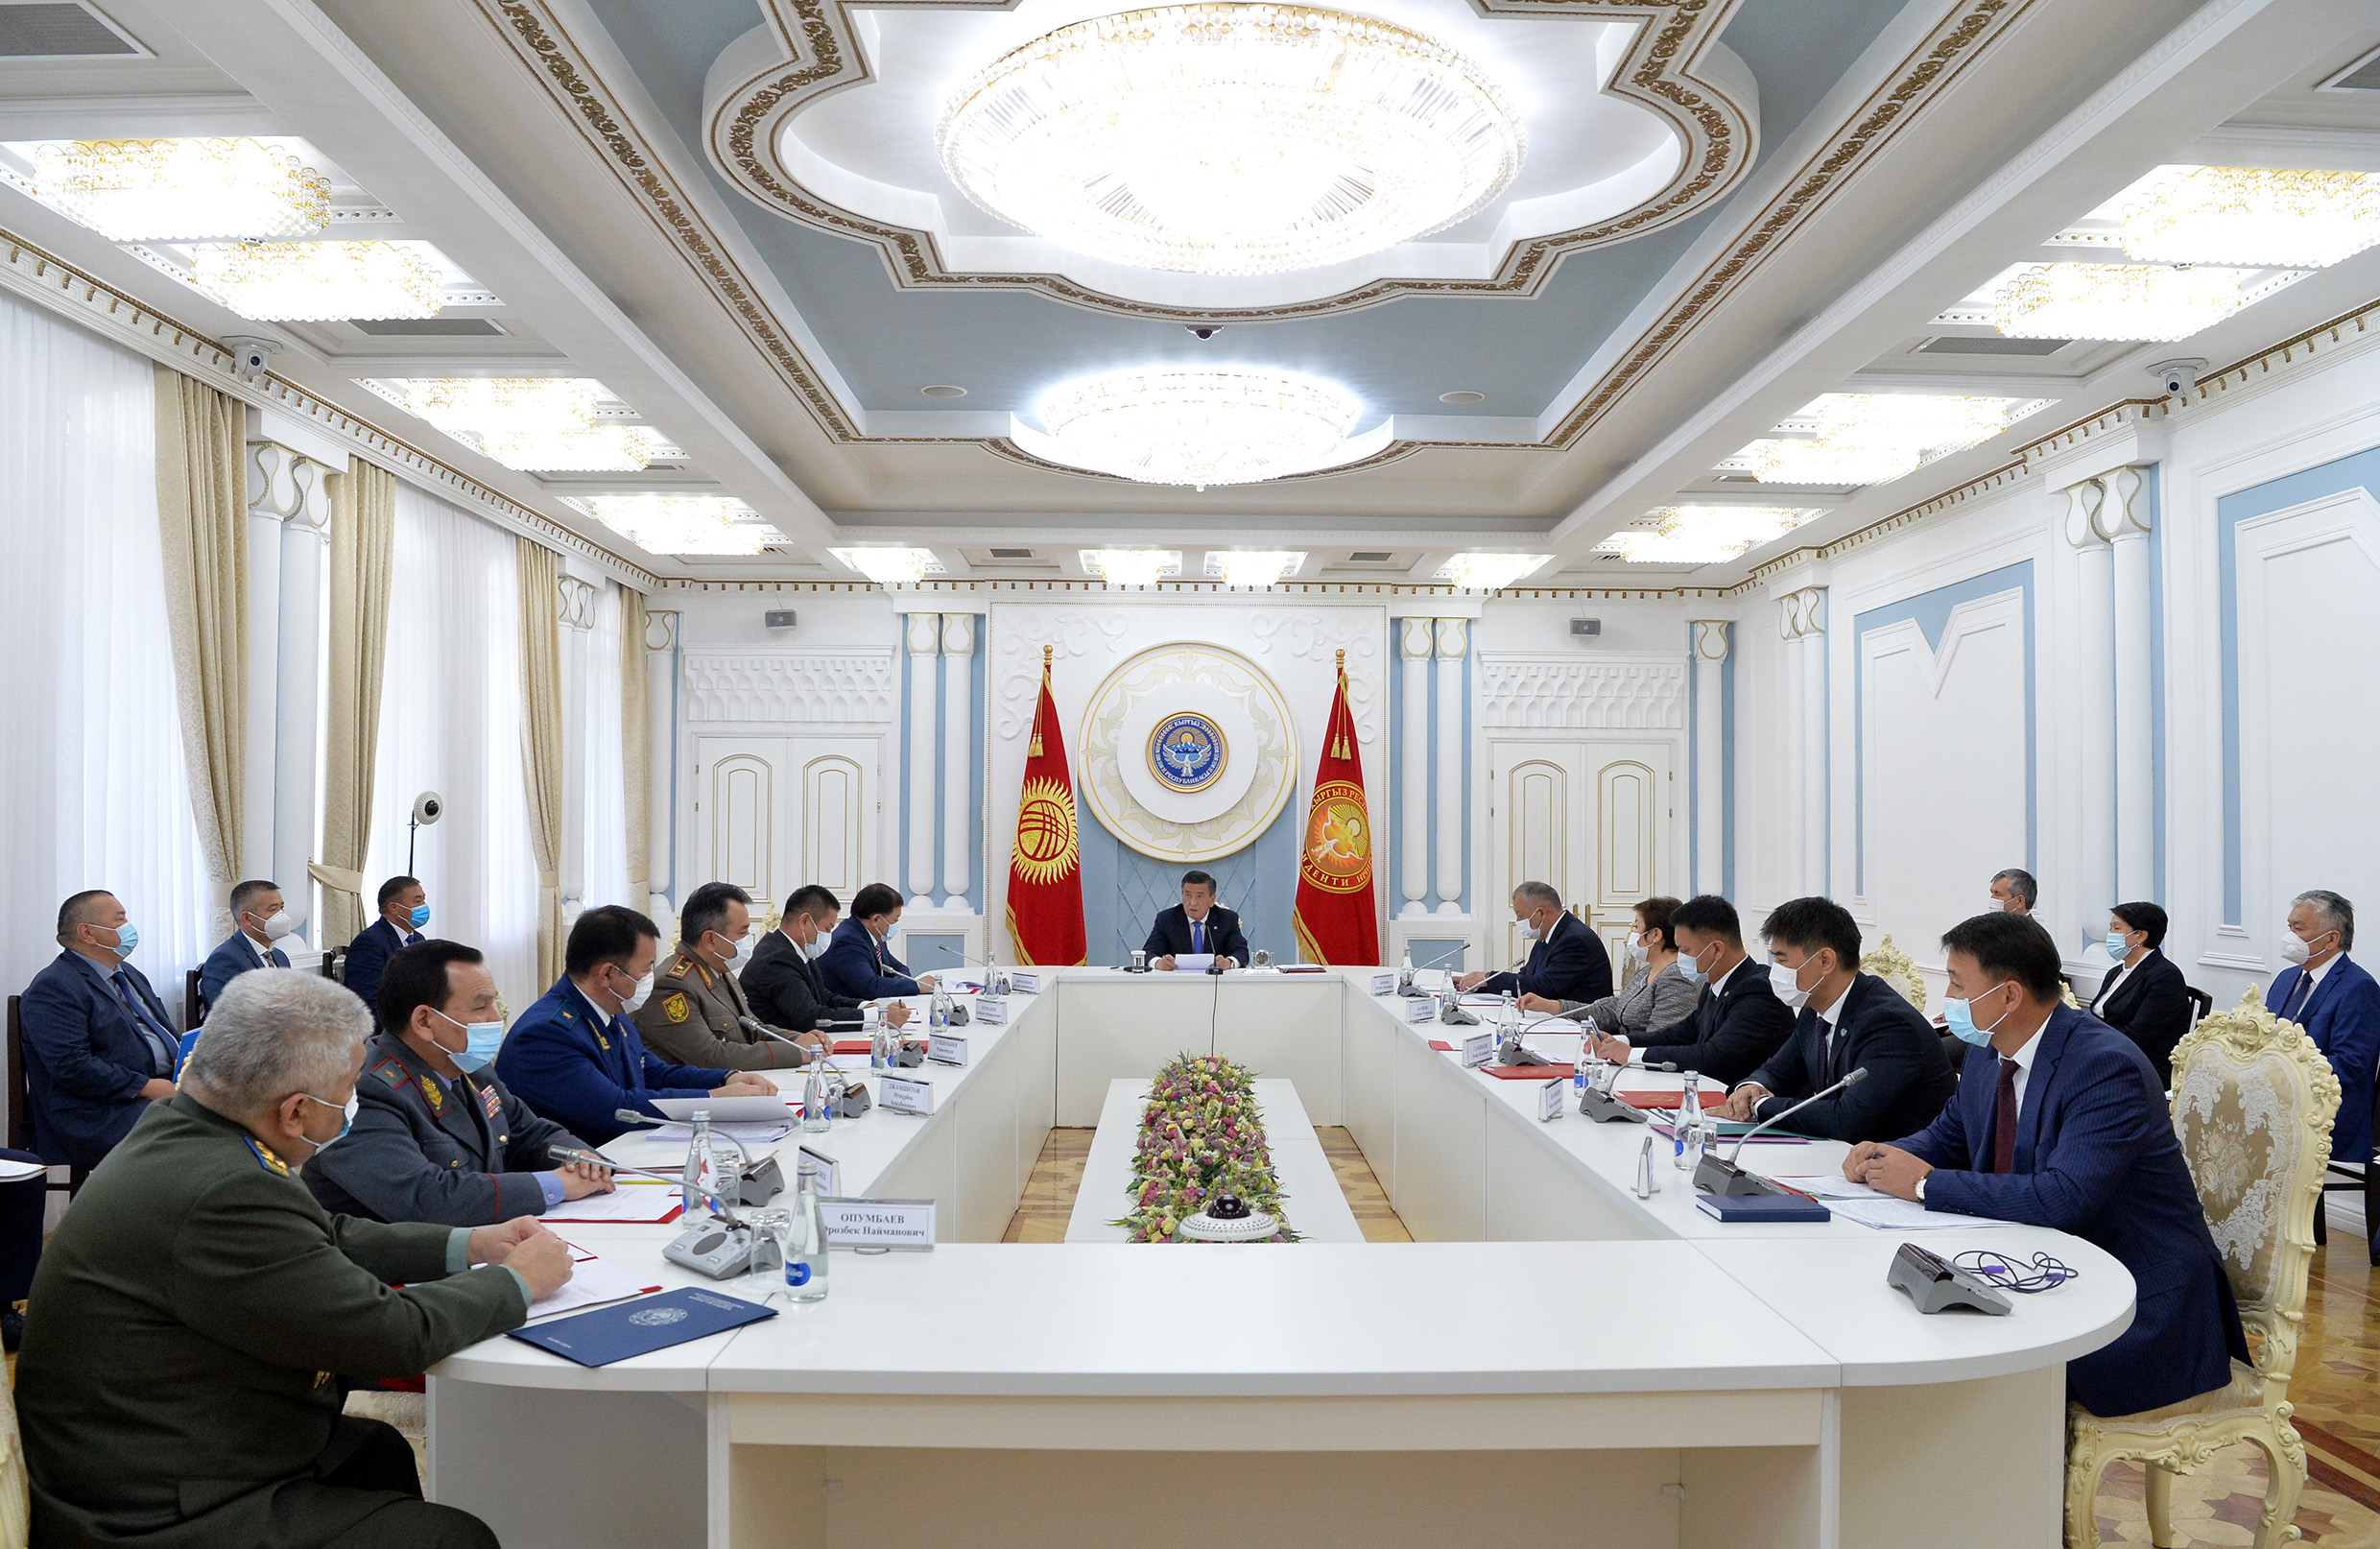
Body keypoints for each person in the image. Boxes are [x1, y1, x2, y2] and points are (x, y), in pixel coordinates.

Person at [14, 968, 571, 1549]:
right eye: (350, 1088)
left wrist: (469, 1244)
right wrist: (516, 1282)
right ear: (296, 1112)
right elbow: (390, 1335)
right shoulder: (224, 1190)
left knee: (375, 1453)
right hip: (153, 1506)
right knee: (452, 1537)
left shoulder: (187, 1126)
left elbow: (321, 1234)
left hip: (167, 1436)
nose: (354, 1103)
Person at [1845, 912, 2248, 1418]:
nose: (1947, 997)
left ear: (2009, 995)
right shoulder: (1988, 1049)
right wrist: (1881, 1156)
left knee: (1963, 1378)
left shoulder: (2104, 1066)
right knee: (1912, 1329)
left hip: (2134, 1297)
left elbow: (2063, 1198)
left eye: (1957, 983)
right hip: (2031, 1260)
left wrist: (1925, 1184)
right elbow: (1948, 1136)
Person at [305, 941, 615, 1226]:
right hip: (396, 1263)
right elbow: (426, 1198)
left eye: (494, 1003)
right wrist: (555, 1185)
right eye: (481, 1007)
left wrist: (579, 1158)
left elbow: (529, 1133)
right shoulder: (361, 1092)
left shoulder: (468, 1066)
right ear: (424, 1021)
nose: (496, 1018)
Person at [494, 905, 774, 1144]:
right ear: (608, 974)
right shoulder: (546, 1034)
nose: (650, 978)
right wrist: (713, 1099)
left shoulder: (612, 1011)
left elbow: (654, 1073)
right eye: (646, 969)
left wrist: (725, 1079)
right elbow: (616, 1110)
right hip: (581, 1167)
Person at [1714, 896, 1957, 1140]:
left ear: (1825, 961)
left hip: (1896, 1155)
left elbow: (1847, 1120)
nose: (1775, 969)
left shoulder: (1889, 1024)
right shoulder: (1814, 1008)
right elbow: (1778, 1071)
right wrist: (1751, 1087)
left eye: (1782, 959)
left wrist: (1759, 1106)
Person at [18, 890, 179, 1170]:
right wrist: (144, 1087)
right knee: (201, 1128)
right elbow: (72, 1066)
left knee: (238, 1106)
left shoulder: (129, 974)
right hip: (96, 1112)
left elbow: (157, 1032)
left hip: (158, 1087)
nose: (129, 927)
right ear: (88, 933)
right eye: (120, 919)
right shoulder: (55, 986)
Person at [1592, 894, 1793, 1086]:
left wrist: (1631, 1055)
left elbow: (1713, 1056)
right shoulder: (1713, 983)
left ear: (1716, 949)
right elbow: (1680, 1034)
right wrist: (1620, 1041)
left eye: (1685, 950)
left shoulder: (1758, 991)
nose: (1680, 957)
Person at [636, 882, 812, 1071]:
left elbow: (754, 1028)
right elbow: (711, 1057)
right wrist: (796, 1052)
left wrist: (799, 1039)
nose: (748, 939)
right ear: (710, 939)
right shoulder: (671, 985)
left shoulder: (720, 971)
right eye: (742, 932)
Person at [2267, 890, 2380, 1170]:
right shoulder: (2286, 979)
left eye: (2299, 928)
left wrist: (2285, 1079)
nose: (2290, 936)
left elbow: (2349, 1064)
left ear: (2331, 939)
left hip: (2325, 1114)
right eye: (2289, 927)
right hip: (2276, 1098)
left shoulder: (2359, 988)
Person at [1518, 895, 1697, 1039]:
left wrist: (1617, 1043)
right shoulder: (1646, 972)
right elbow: (1613, 1009)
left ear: (1655, 934)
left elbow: (1660, 1039)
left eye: (1636, 926)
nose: (1632, 933)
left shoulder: (1676, 979)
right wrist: (1551, 1006)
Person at [742, 884, 911, 1037]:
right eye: (827, 928)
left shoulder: (797, 951)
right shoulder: (776, 960)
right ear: (805, 921)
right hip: (779, 1047)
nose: (829, 936)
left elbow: (823, 996)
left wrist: (865, 1006)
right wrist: (877, 1016)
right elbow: (811, 1017)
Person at [1457, 882, 1613, 1006]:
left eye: (1520, 915)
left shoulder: (1575, 940)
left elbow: (1544, 987)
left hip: (1581, 1024)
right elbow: (1527, 977)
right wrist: (1480, 985)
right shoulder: (1549, 934)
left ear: (1541, 913)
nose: (1518, 921)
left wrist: (1489, 978)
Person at [2088, 901, 2193, 1085]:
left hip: (2141, 1064)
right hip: (2107, 1051)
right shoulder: (2116, 972)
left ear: (2141, 936)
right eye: (2111, 928)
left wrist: (2089, 1040)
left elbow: (2138, 1035)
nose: (2110, 934)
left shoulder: (2165, 976)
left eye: (2117, 928)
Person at [817, 882, 937, 1001]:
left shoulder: (875, 935)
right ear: (876, 919)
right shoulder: (846, 942)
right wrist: (917, 986)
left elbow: (898, 968)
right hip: (847, 1009)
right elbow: (871, 987)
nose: (895, 924)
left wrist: (900, 983)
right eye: (895, 920)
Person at [197, 877, 295, 1015]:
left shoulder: (280, 956)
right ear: (247, 919)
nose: (281, 915)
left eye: (282, 908)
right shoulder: (224, 959)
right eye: (273, 909)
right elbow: (229, 1015)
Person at [343, 876, 428, 1012]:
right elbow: (369, 1001)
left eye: (424, 899)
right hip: (386, 1021)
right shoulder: (369, 943)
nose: (424, 906)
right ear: (394, 908)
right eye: (417, 901)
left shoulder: (418, 939)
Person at [1143, 870, 1249, 969]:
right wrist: (1158, 963)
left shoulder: (1227, 919)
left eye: (1199, 896)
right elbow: (1148, 952)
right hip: (1178, 980)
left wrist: (1228, 962)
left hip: (1215, 980)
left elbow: (1241, 952)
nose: (1193, 902)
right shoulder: (1167, 919)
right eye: (1188, 895)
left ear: (1212, 899)